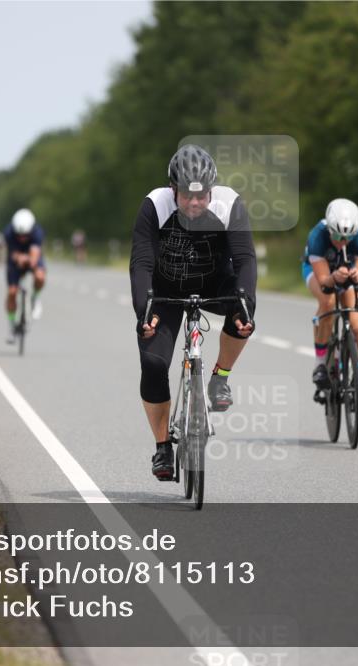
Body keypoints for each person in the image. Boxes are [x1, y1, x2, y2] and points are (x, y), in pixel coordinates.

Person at [130, 144, 257, 480]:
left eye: (202, 196)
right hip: (166, 290)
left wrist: (246, 305)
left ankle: (220, 378)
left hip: (214, 283)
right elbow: (141, 263)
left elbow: (245, 261)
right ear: (174, 190)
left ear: (211, 190)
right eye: (187, 196)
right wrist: (145, 311)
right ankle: (162, 448)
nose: (195, 203)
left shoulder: (229, 204)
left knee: (243, 310)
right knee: (154, 363)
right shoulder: (155, 205)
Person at [302, 199, 358, 415]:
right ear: (329, 230)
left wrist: (357, 275)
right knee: (328, 302)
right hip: (319, 271)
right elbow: (324, 281)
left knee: (357, 324)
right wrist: (334, 277)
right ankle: (320, 363)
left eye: (348, 238)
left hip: (348, 272)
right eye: (337, 237)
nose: (343, 242)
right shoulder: (317, 236)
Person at [4, 208, 46, 343]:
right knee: (12, 292)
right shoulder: (9, 232)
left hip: (31, 256)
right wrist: (18, 259)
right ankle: (12, 327)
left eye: (25, 235)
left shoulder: (37, 232)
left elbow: (34, 256)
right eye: (19, 235)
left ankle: (35, 298)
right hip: (15, 260)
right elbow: (13, 254)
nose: (22, 238)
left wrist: (28, 260)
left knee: (40, 276)